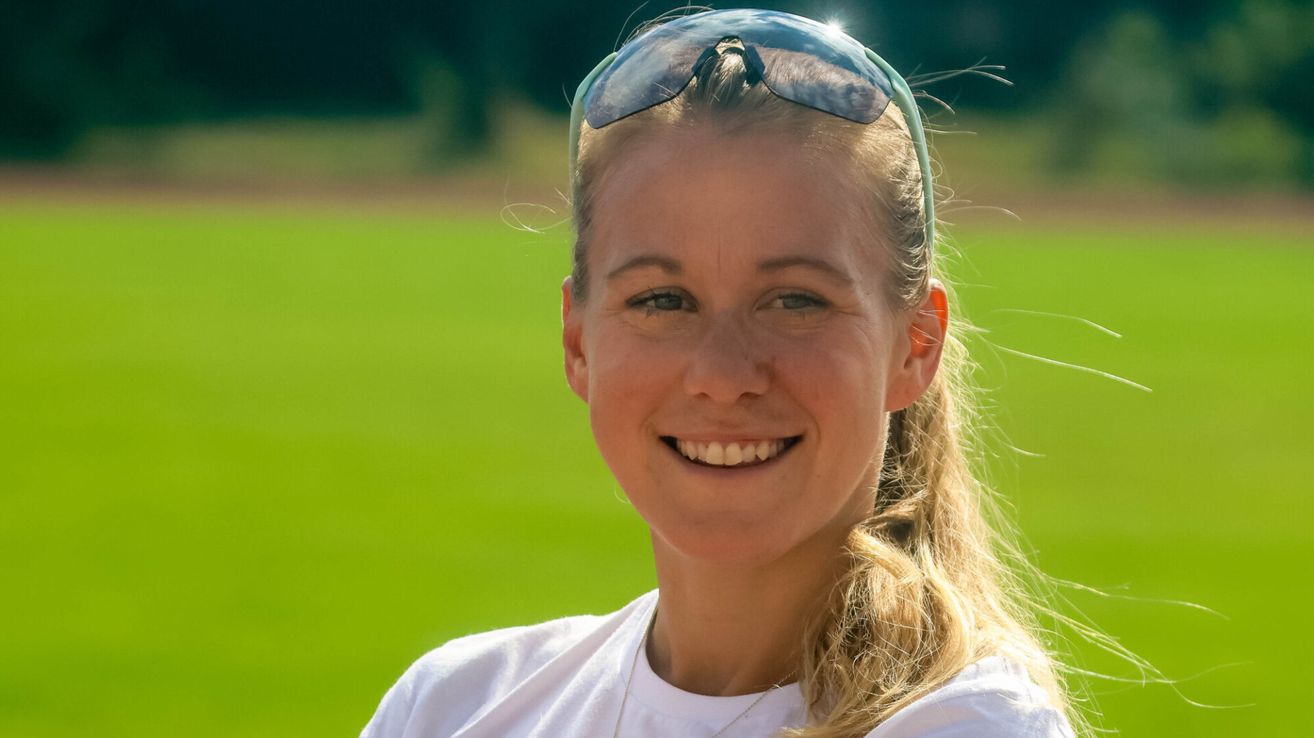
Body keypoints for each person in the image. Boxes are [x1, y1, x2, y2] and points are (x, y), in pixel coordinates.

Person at [362, 8, 1080, 737]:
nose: (722, 375)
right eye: (662, 300)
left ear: (916, 345)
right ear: (578, 341)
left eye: (796, 301)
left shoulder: (963, 725)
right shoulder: (453, 705)